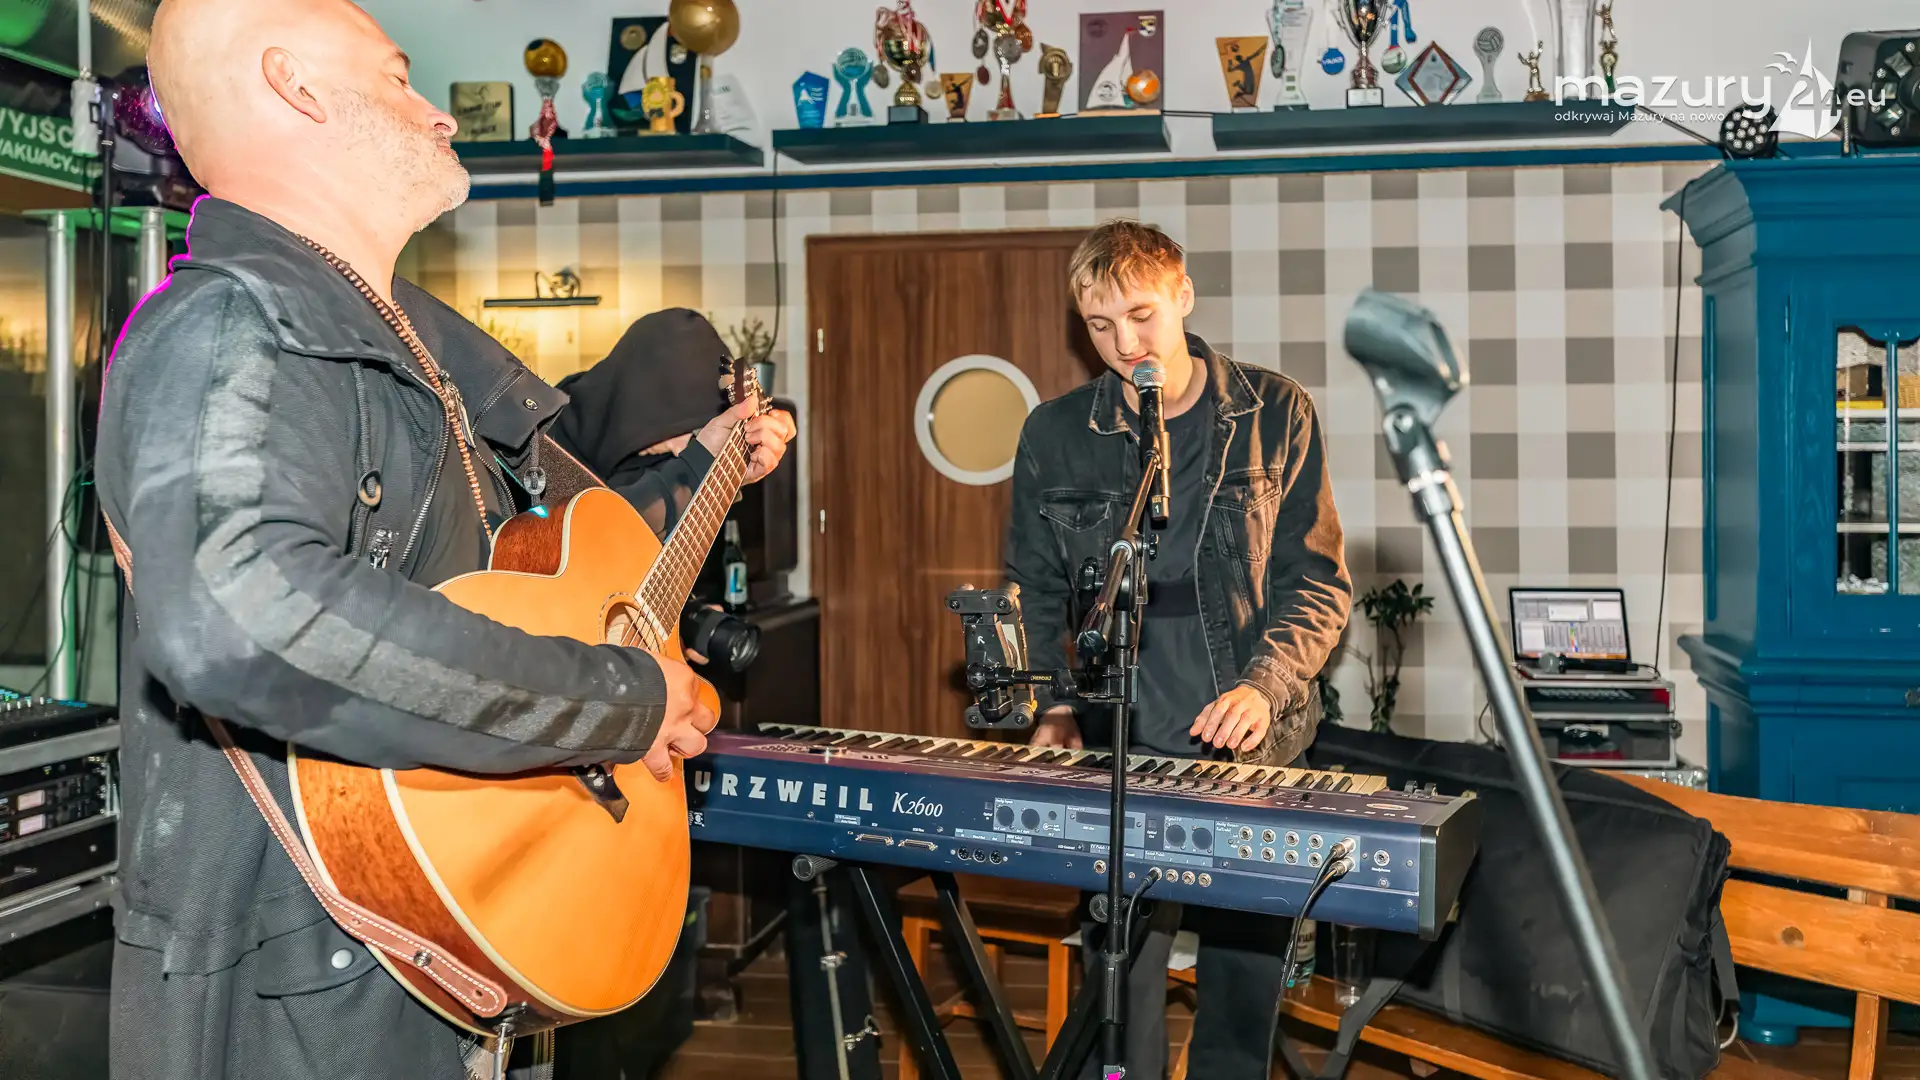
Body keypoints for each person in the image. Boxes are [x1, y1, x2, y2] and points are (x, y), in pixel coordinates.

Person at [96, 2, 790, 1078]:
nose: (440, 112)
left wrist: (700, 471)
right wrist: (615, 703)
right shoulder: (232, 328)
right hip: (303, 994)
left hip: (420, 956)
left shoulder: (409, 345)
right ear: (295, 86)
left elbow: (539, 569)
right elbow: (245, 615)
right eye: (398, 76)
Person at [1004, 219, 1352, 1080]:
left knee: (1243, 985)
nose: (1125, 344)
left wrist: (1264, 686)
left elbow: (1319, 584)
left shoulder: (1275, 412)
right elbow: (1036, 587)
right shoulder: (1055, 433)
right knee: (1120, 983)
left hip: (1254, 747)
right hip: (1121, 743)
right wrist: (1054, 703)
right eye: (1100, 326)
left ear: (1183, 296)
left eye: (1141, 316)